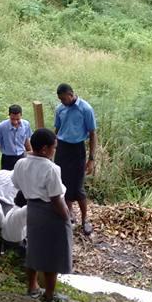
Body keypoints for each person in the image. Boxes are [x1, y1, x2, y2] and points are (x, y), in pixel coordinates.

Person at [11, 128, 74, 302]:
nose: (55, 151)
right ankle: (50, 293)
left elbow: (17, 183)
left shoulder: (21, 163)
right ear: (45, 149)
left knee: (34, 247)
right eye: (54, 147)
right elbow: (55, 198)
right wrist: (66, 217)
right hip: (50, 212)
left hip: (32, 208)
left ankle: (32, 286)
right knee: (52, 253)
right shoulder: (51, 168)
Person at [54, 84, 97, 235]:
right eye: (60, 99)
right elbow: (57, 130)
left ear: (71, 94)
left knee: (78, 187)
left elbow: (92, 134)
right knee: (63, 184)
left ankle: (85, 219)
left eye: (64, 98)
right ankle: (69, 215)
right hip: (62, 149)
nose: (62, 102)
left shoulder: (85, 109)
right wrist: (53, 148)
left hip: (77, 149)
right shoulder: (60, 109)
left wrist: (91, 159)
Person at [0, 104, 32, 173]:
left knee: (22, 179)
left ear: (21, 115)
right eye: (12, 119)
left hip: (21, 157)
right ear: (9, 115)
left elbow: (26, 141)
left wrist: (31, 156)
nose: (15, 122)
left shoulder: (26, 125)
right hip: (7, 159)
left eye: (17, 119)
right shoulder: (1, 127)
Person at [0, 191, 27, 257]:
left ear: (14, 199)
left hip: (5, 239)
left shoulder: (13, 209)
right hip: (16, 243)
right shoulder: (21, 212)